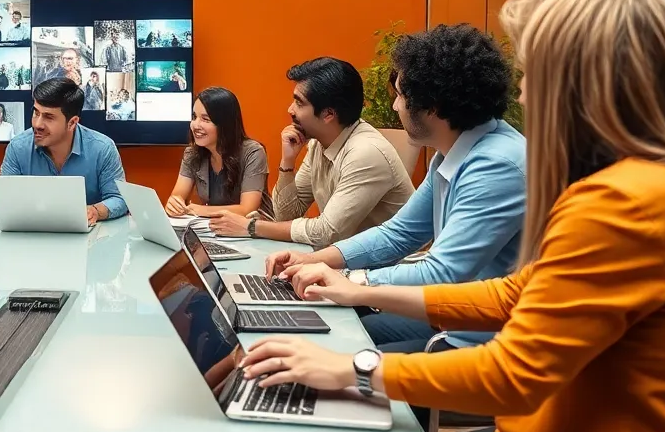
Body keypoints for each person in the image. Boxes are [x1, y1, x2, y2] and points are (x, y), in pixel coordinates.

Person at [245, 0, 665, 432]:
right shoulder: (661, 185)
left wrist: (350, 367)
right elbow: (514, 293)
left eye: (533, 74)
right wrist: (353, 288)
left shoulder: (624, 204)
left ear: (577, 87)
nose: (524, 94)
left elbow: (513, 373)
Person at [263, 24, 526, 353]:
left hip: (484, 339)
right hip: (450, 314)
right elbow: (398, 234)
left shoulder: (496, 166)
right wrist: (314, 260)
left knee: (336, 356)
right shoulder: (452, 152)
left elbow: (442, 272)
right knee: (335, 335)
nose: (395, 107)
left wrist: (355, 280)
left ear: (432, 106)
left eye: (400, 96)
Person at [207, 58, 413, 248]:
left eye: (299, 103)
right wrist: (288, 162)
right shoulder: (318, 144)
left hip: (390, 265)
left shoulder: (365, 153)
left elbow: (326, 233)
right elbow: (285, 215)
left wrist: (251, 227)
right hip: (347, 258)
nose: (290, 110)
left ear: (328, 114)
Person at [0, 79, 126, 226]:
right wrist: (6, 201)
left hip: (89, 236)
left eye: (48, 117)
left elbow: (119, 199)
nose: (37, 124)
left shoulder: (102, 148)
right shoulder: (18, 147)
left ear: (72, 123)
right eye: (36, 113)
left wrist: (95, 211)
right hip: (32, 233)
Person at [167, 87, 274, 220]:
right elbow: (177, 197)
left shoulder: (253, 152)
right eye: (194, 117)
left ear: (225, 124)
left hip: (254, 229)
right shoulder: (192, 153)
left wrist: (199, 209)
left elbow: (247, 209)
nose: (195, 125)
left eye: (205, 119)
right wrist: (174, 204)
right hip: (214, 228)